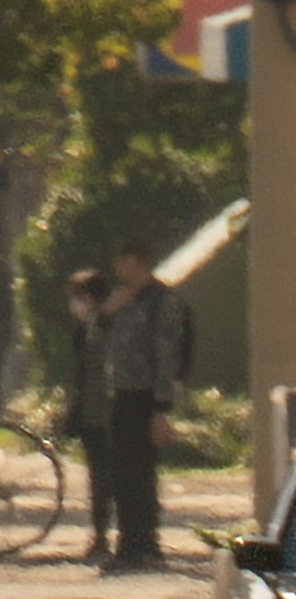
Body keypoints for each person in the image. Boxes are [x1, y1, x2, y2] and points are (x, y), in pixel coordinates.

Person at [96, 242, 190, 572]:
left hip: (147, 398)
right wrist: (106, 313)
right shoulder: (121, 300)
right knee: (121, 475)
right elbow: (99, 343)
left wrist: (161, 409)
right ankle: (127, 543)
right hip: (121, 394)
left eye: (122, 263)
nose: (118, 270)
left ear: (137, 263)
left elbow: (167, 358)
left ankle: (146, 545)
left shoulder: (162, 302)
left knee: (141, 475)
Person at [64, 265, 118, 565]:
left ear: (88, 297)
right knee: (98, 478)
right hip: (91, 414)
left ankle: (106, 535)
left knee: (107, 477)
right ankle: (100, 534)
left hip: (106, 413)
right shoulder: (83, 330)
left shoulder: (107, 328)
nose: (73, 305)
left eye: (76, 297)